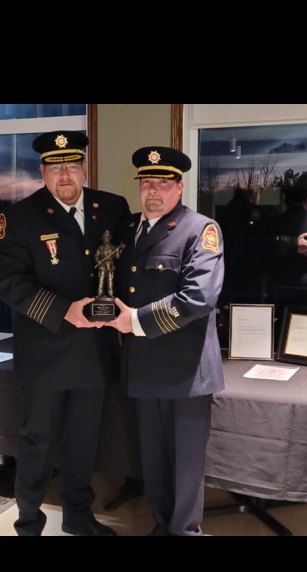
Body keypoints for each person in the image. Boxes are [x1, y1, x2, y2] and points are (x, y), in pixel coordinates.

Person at [0, 130, 131, 536]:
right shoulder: (17, 218)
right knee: (36, 443)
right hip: (45, 353)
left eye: (72, 164)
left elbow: (125, 268)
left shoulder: (113, 207)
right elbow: (9, 284)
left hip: (96, 350)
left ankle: (78, 519)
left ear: (84, 168)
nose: (64, 174)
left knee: (83, 442)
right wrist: (64, 310)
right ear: (42, 171)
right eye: (55, 166)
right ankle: (29, 523)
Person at [107, 146, 224, 536]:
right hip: (140, 365)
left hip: (185, 370)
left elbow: (199, 298)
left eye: (162, 183)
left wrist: (134, 320)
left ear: (179, 186)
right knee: (153, 459)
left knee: (186, 462)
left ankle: (186, 532)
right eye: (146, 183)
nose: (152, 191)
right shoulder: (126, 231)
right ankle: (162, 526)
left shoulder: (200, 229)